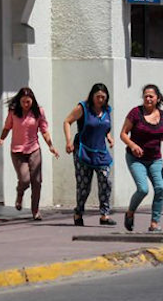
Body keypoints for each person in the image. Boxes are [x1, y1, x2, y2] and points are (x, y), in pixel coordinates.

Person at [0, 88, 59, 220]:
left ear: (32, 101)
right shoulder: (13, 112)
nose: (25, 104)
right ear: (19, 101)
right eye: (23, 102)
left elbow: (44, 130)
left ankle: (35, 211)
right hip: (17, 151)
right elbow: (7, 127)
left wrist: (50, 146)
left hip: (34, 149)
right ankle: (20, 194)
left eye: (28, 102)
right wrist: (1, 138)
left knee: (37, 181)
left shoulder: (38, 112)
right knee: (25, 179)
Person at [119, 84, 163, 232]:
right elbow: (123, 133)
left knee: (160, 188)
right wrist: (132, 145)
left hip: (155, 159)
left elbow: (162, 135)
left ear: (157, 98)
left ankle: (154, 223)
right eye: (146, 96)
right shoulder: (135, 113)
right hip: (136, 158)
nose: (148, 98)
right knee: (143, 189)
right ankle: (130, 213)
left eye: (151, 96)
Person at [63, 83, 116, 227]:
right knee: (84, 186)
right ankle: (78, 213)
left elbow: (104, 126)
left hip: (101, 152)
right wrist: (68, 142)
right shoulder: (83, 108)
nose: (100, 100)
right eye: (98, 96)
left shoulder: (106, 110)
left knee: (105, 181)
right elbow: (67, 121)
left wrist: (109, 136)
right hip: (83, 152)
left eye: (103, 97)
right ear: (92, 96)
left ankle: (104, 215)